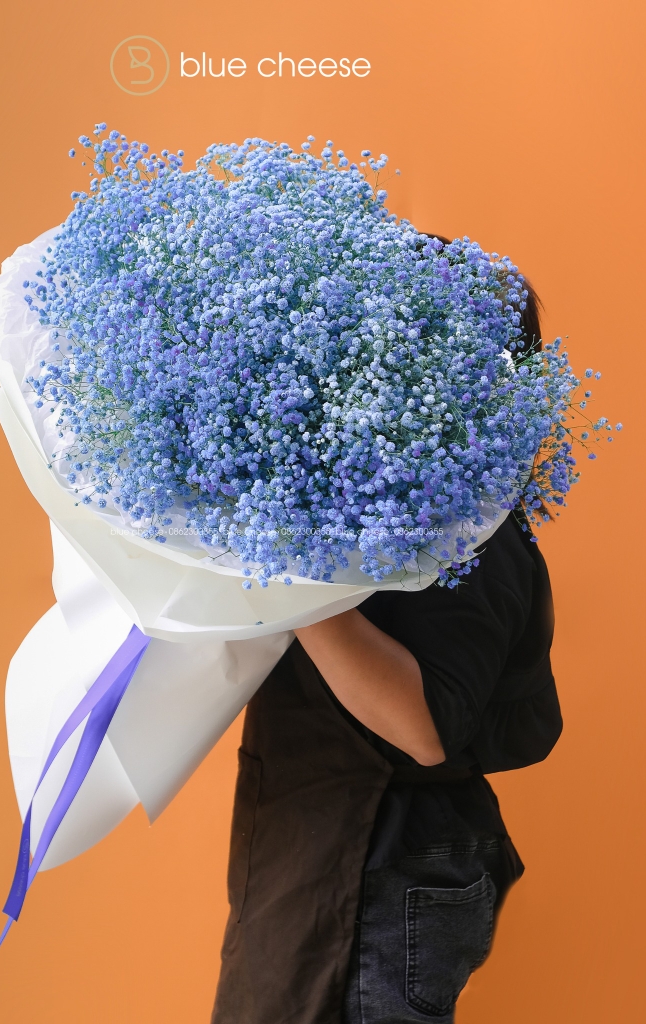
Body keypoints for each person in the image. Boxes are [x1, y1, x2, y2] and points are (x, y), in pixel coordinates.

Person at [210, 270, 561, 1024]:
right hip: (328, 843)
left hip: (379, 857)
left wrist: (283, 572)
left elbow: (422, 726)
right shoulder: (373, 501)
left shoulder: (470, 528)